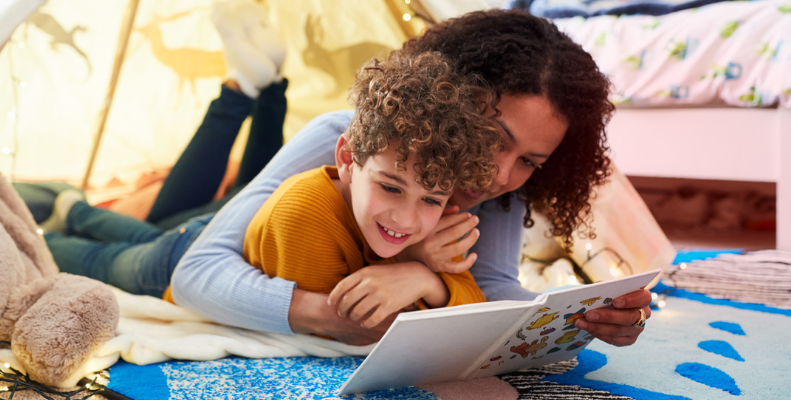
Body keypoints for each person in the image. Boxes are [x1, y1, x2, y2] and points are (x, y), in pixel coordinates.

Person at [43, 6, 652, 347]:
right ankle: (61, 213)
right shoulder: (347, 132)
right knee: (67, 253)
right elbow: (198, 272)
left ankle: (74, 205)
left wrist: (581, 319)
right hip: (182, 252)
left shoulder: (492, 195)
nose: (496, 174)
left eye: (530, 163)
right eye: (495, 140)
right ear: (454, 93)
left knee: (117, 220)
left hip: (223, 231)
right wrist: (325, 314)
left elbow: (490, 289)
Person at [233, 50, 495, 329]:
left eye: (431, 200)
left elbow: (476, 321)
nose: (405, 220)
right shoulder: (304, 212)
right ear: (348, 159)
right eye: (390, 188)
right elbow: (356, 327)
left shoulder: (426, 224)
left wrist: (425, 280)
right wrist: (409, 259)